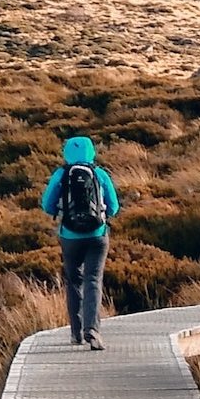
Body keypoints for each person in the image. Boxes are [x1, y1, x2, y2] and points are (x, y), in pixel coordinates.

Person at [41, 133, 120, 350]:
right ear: (91, 151)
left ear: (67, 152)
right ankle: (92, 331)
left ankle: (76, 333)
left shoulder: (61, 175)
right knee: (93, 280)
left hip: (69, 236)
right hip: (97, 235)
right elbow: (114, 207)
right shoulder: (100, 174)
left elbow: (47, 206)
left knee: (74, 281)